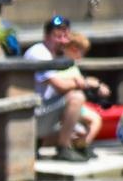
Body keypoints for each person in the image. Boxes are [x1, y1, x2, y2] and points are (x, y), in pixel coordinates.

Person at [24, 15, 105, 162]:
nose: (63, 41)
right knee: (77, 97)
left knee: (81, 132)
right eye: (58, 36)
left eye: (65, 36)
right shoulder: (39, 53)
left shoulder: (59, 56)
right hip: (31, 115)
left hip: (46, 113)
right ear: (46, 36)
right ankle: (63, 148)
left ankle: (40, 144)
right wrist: (85, 83)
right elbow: (61, 87)